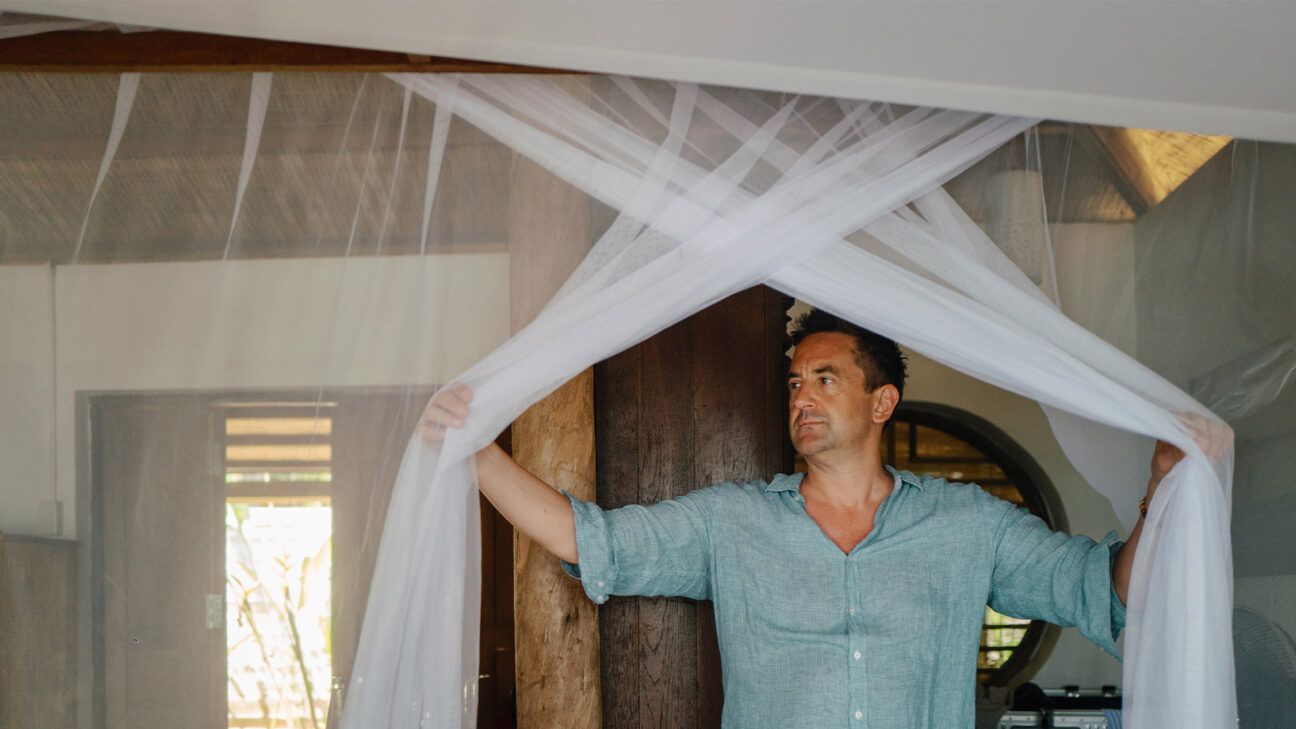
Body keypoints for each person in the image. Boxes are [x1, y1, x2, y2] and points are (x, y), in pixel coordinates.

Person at [422, 308, 1185, 729]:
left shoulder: (968, 523)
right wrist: (475, 452)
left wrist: (1163, 490)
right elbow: (590, 539)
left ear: (881, 402)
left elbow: (1108, 590)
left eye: (825, 378)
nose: (801, 399)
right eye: (793, 383)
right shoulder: (732, 522)